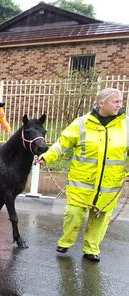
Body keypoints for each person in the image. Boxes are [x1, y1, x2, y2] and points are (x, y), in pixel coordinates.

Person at [38, 88, 127, 262]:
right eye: (115, 101)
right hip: (81, 182)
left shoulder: (126, 126)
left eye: (120, 101)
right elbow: (62, 143)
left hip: (110, 184)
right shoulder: (81, 123)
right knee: (73, 213)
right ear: (101, 103)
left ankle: (91, 249)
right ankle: (66, 242)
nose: (120, 104)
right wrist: (48, 156)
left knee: (100, 218)